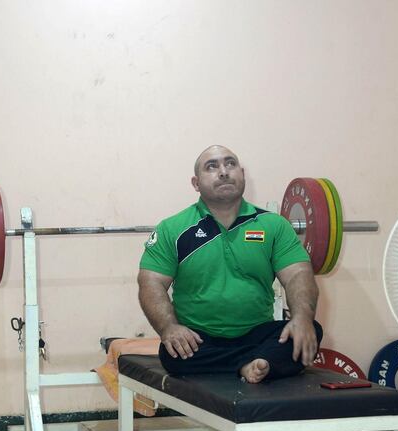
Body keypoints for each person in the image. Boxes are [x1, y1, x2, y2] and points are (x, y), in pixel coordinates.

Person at [138, 145, 322, 384]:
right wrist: (169, 328)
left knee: (311, 330)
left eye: (230, 163)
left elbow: (298, 274)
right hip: (199, 340)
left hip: (257, 335)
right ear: (196, 183)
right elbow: (150, 282)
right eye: (211, 167)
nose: (223, 171)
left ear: (242, 173)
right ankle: (252, 363)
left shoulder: (273, 225)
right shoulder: (172, 228)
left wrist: (302, 318)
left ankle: (249, 360)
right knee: (173, 354)